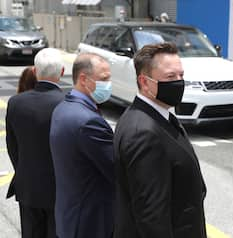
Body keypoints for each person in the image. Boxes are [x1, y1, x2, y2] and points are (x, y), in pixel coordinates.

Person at [113, 42, 207, 238]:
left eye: (181, 75)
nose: (179, 82)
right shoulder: (143, 133)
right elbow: (152, 217)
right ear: (145, 82)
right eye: (170, 77)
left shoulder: (159, 116)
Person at [50, 53, 115, 238]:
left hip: (71, 216)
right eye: (104, 79)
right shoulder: (88, 122)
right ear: (84, 79)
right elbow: (116, 169)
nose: (109, 84)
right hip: (89, 223)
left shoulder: (63, 108)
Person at [5, 48, 65, 238]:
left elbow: (12, 147)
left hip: (28, 188)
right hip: (61, 190)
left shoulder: (16, 103)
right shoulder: (69, 103)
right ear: (62, 72)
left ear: (34, 71)